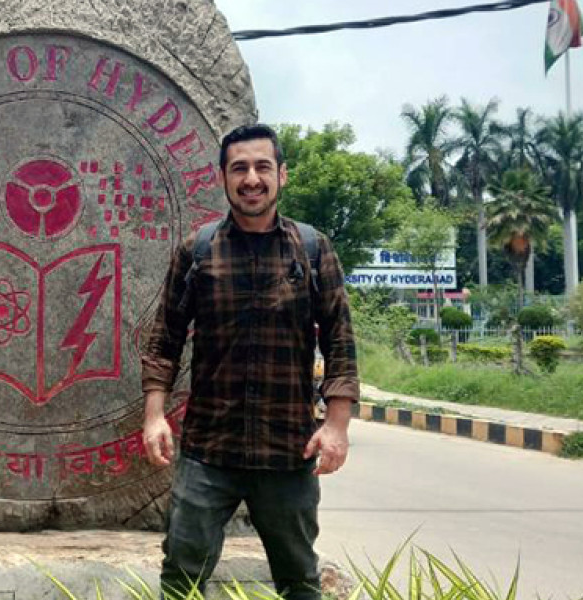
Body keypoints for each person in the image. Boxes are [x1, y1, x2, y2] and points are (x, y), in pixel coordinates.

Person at [140, 123, 359, 599]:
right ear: (223, 177)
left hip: (287, 452)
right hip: (208, 453)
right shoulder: (197, 252)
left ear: (281, 175)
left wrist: (337, 426)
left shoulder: (313, 248)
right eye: (239, 168)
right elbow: (165, 340)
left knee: (299, 581)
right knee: (180, 578)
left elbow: (340, 341)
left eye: (262, 167)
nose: (251, 178)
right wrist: (154, 415)